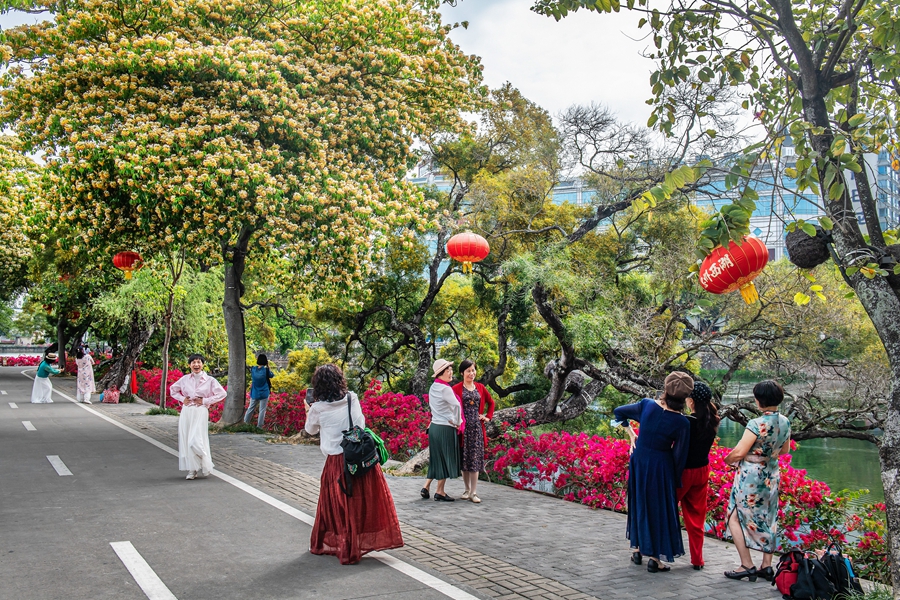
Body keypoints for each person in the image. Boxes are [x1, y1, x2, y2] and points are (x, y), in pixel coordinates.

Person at [305, 364, 403, 564]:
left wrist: (309, 411)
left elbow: (310, 430)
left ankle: (344, 545)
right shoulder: (352, 398)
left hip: (336, 462)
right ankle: (359, 542)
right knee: (359, 501)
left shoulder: (317, 408)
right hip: (358, 458)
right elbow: (360, 425)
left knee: (339, 504)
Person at [613, 371, 692, 573]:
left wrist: (632, 434)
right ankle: (655, 559)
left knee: (639, 501)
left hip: (639, 461)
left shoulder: (647, 405)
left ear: (665, 388)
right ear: (685, 397)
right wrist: (674, 480)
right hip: (660, 465)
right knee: (658, 509)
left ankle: (637, 549)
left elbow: (619, 412)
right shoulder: (682, 422)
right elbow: (679, 456)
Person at [723, 380, 791, 583]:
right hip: (772, 473)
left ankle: (746, 564)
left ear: (759, 400)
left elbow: (739, 452)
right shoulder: (785, 421)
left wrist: (728, 460)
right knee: (770, 516)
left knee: (734, 516)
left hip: (751, 476)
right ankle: (766, 566)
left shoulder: (756, 423)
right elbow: (785, 450)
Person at [678, 380, 720, 570]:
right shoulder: (713, 421)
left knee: (664, 509)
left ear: (691, 401)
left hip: (683, 472)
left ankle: (655, 553)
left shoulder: (686, 422)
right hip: (702, 471)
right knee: (696, 518)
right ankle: (697, 559)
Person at [169, 354, 226, 480]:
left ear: (203, 364)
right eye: (193, 362)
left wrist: (205, 401)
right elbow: (173, 390)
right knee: (187, 440)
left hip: (200, 411)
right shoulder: (184, 379)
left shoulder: (210, 380)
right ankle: (192, 469)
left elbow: (222, 393)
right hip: (187, 411)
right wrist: (182, 399)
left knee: (195, 440)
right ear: (189, 365)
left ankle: (205, 460)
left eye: (199, 362)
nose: (196, 365)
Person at [451, 359, 495, 503]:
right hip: (463, 429)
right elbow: (450, 406)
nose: (472, 373)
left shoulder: (480, 387)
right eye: (468, 371)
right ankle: (466, 489)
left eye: (473, 370)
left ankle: (474, 492)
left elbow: (491, 402)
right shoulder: (456, 388)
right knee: (465, 460)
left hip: (476, 429)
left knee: (475, 460)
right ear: (462, 373)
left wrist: (487, 417)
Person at [421, 359, 463, 502]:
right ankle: (440, 491)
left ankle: (426, 487)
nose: (451, 373)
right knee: (444, 458)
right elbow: (457, 405)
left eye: (451, 370)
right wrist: (457, 422)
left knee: (436, 459)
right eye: (447, 371)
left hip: (434, 427)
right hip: (445, 427)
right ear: (440, 373)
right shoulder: (446, 389)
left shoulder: (434, 387)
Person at [244, 353, 274, 428]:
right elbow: (271, 375)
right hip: (264, 392)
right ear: (265, 361)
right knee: (262, 410)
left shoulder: (253, 369)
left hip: (255, 392)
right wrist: (268, 366)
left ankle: (245, 423)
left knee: (250, 408)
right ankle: (259, 427)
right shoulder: (266, 370)